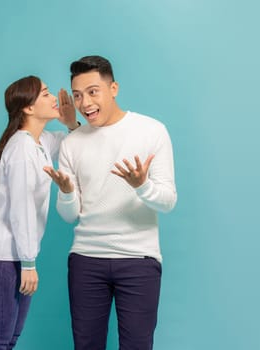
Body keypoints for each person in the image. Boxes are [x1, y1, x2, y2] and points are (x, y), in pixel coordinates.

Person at [44, 55, 177, 349]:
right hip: (86, 260)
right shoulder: (72, 142)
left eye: (93, 91)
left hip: (138, 260)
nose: (85, 102)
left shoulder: (151, 130)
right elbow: (69, 216)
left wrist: (142, 186)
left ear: (113, 88)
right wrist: (66, 192)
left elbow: (168, 201)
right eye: (77, 95)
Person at [0, 75, 78, 349]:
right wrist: (28, 263)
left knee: (10, 339)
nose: (53, 97)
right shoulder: (21, 148)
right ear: (28, 108)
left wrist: (70, 122)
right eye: (45, 94)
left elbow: (72, 142)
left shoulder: (39, 142)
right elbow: (21, 210)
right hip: (1, 258)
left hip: (17, 256)